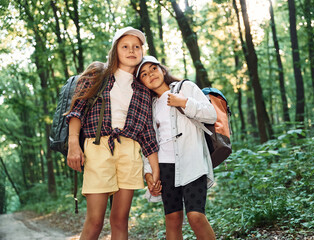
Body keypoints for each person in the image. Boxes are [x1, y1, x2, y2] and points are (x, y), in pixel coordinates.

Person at [66, 27, 159, 240]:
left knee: (120, 220)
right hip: (98, 147)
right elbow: (76, 111)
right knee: (95, 220)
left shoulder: (143, 87)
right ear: (115, 50)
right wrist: (74, 144)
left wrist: (155, 170)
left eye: (137, 47)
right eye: (125, 46)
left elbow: (147, 133)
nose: (131, 50)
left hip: (130, 150)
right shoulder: (98, 74)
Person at [137, 56, 217, 240]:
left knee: (195, 216)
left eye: (153, 69)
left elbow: (211, 115)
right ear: (142, 83)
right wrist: (149, 174)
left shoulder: (185, 87)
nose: (151, 75)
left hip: (192, 161)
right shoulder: (149, 107)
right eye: (144, 74)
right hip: (165, 168)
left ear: (162, 70)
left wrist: (183, 102)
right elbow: (148, 142)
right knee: (172, 220)